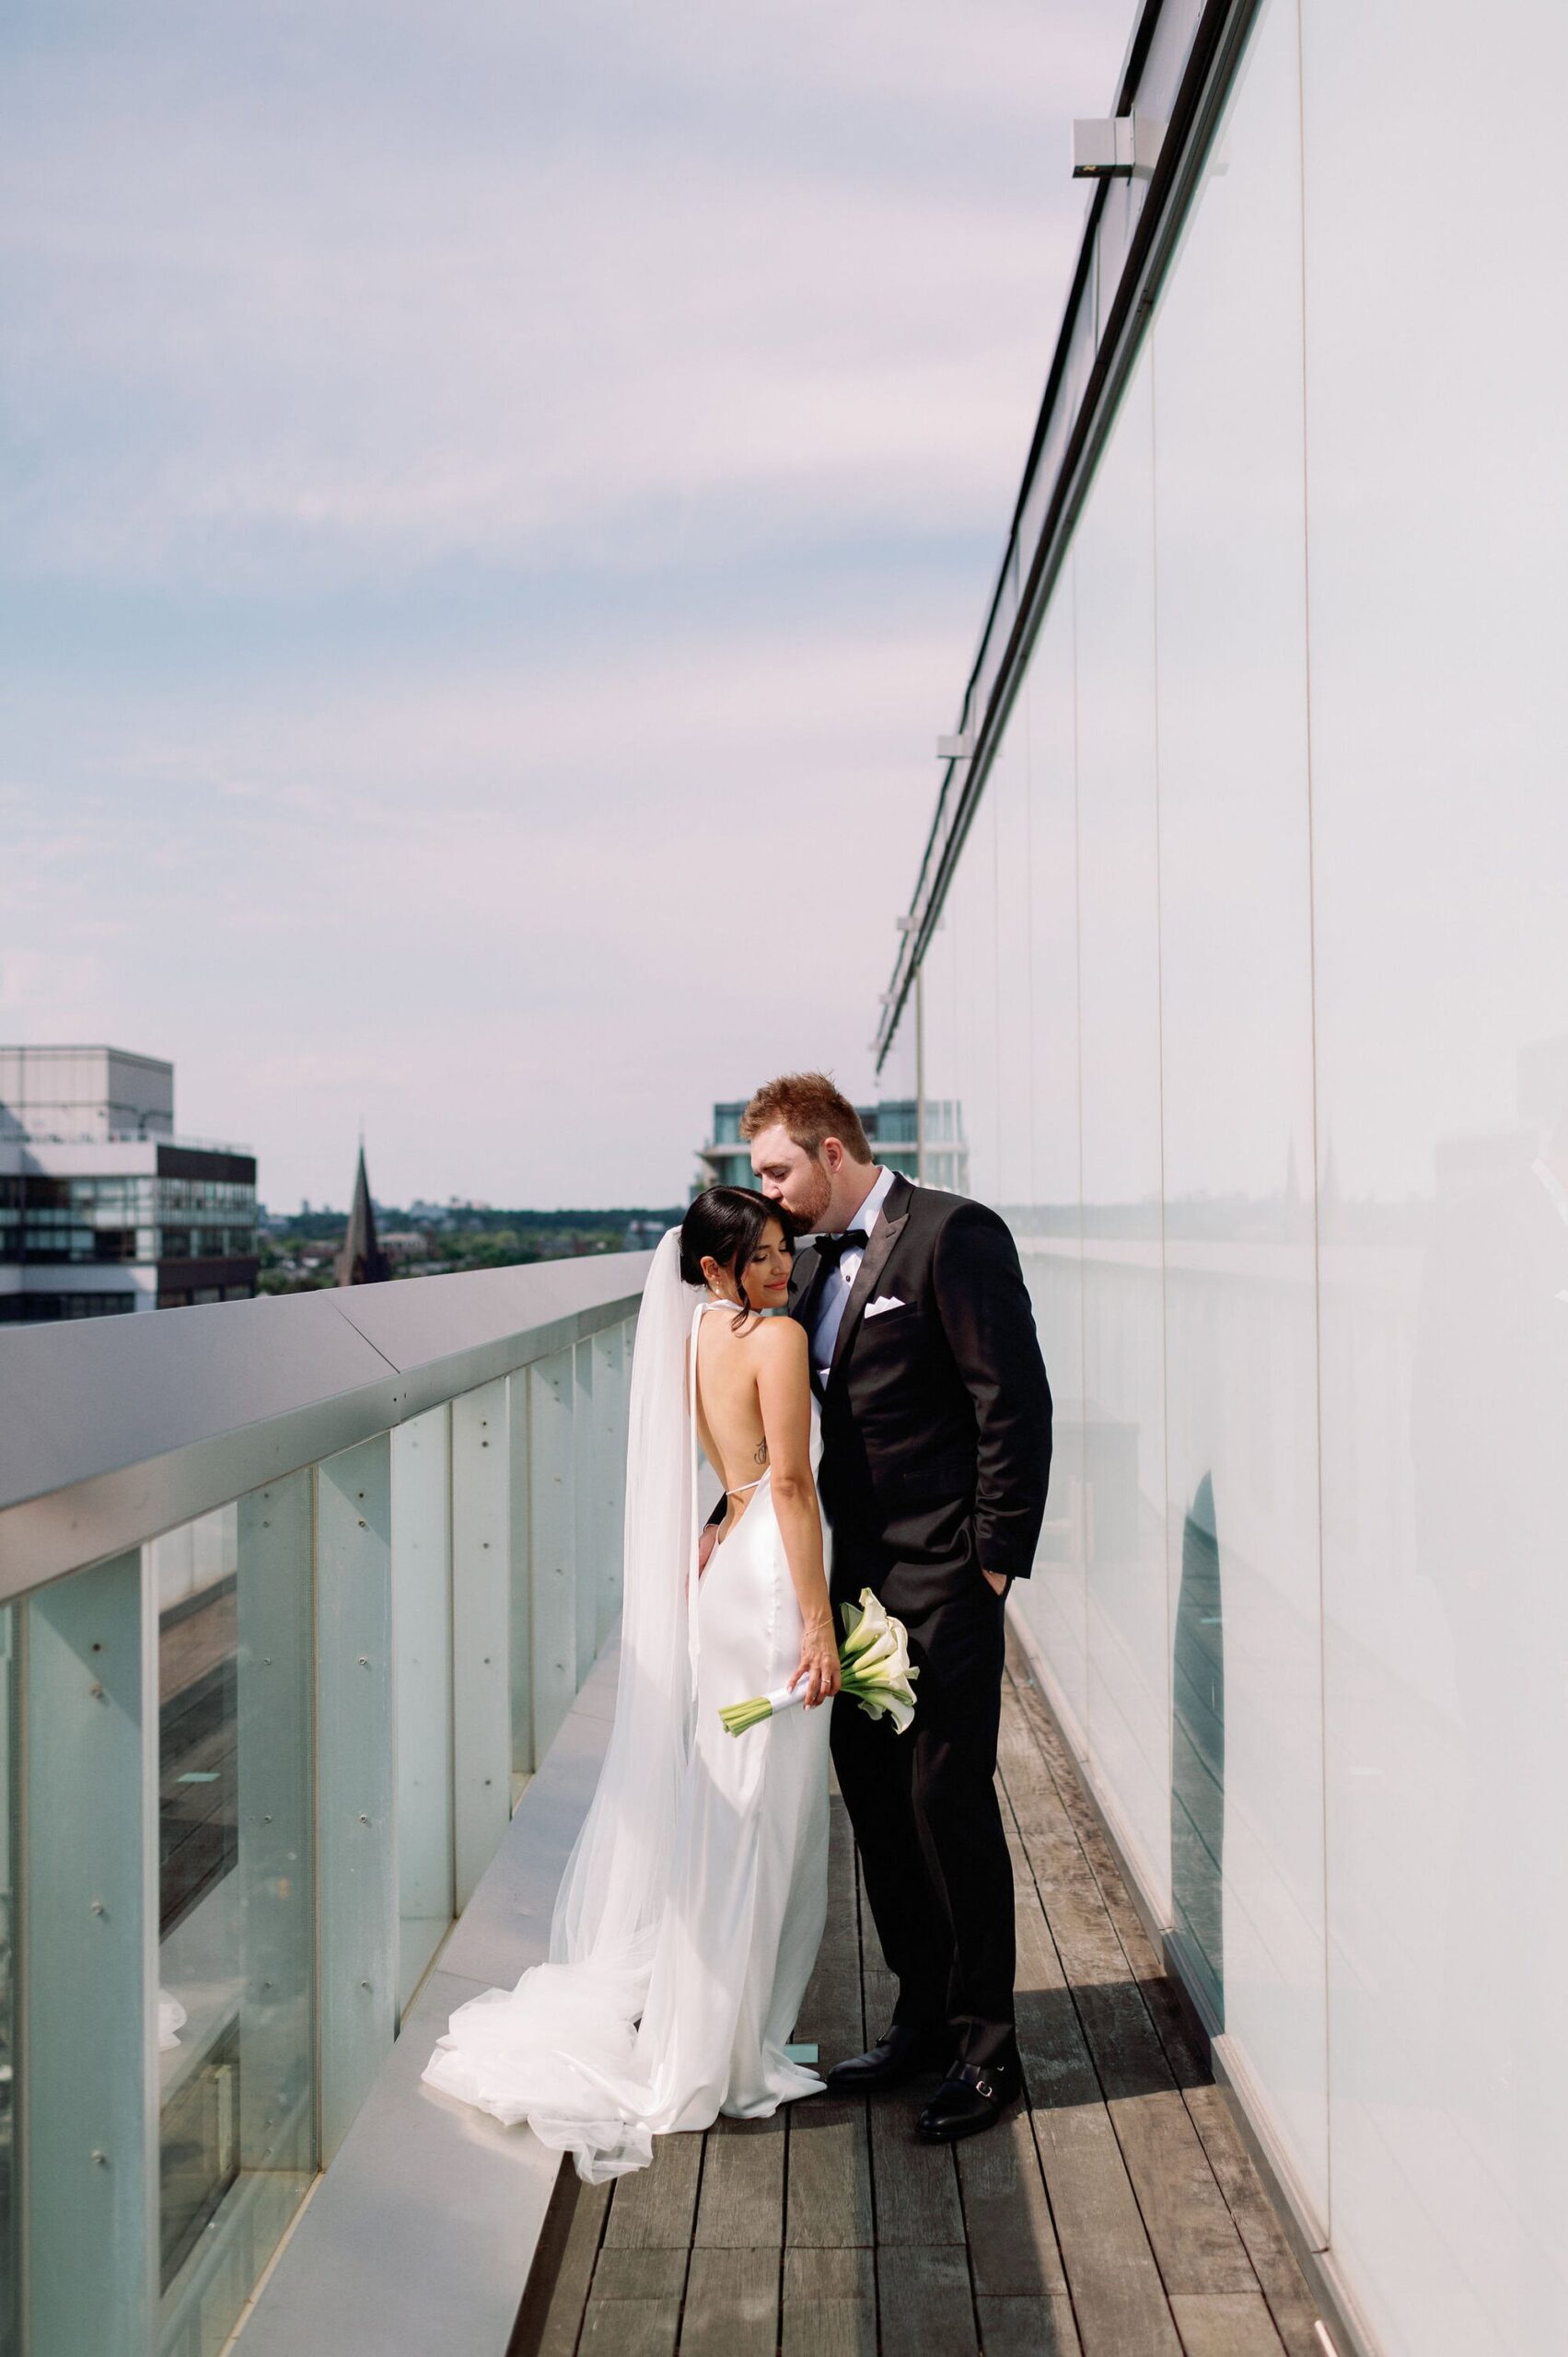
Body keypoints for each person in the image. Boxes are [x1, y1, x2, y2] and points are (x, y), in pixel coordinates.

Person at [423, 1189, 838, 2181]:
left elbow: (730, 1475)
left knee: (726, 1806)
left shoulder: (692, 1336)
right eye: (762, 1257)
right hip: (775, 1579)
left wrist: (711, 1533)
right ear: (711, 1269)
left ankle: (712, 2032)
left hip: (728, 1570)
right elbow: (787, 1483)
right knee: (759, 1817)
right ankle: (721, 2053)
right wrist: (820, 1623)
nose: (783, 1272)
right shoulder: (772, 1341)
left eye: (785, 1251)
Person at [743, 1071, 1051, 2142]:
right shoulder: (808, 1264)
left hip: (946, 1583)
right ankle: (921, 2015)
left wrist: (991, 1568)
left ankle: (986, 2043)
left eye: (777, 1170)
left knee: (944, 1803)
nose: (769, 1194)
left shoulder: (954, 1236)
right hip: (852, 1582)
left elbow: (1010, 1403)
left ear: (832, 1152)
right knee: (876, 1806)